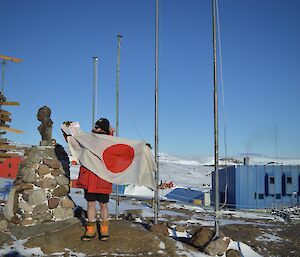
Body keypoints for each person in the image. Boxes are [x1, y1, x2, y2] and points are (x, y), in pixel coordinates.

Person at [76, 118, 113, 241]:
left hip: (102, 178)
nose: (94, 128)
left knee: (103, 204)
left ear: (103, 129)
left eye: (97, 127)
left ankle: (104, 228)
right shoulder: (88, 139)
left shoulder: (111, 141)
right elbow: (74, 142)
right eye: (95, 127)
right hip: (90, 177)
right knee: (91, 203)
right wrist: (68, 131)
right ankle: (91, 229)